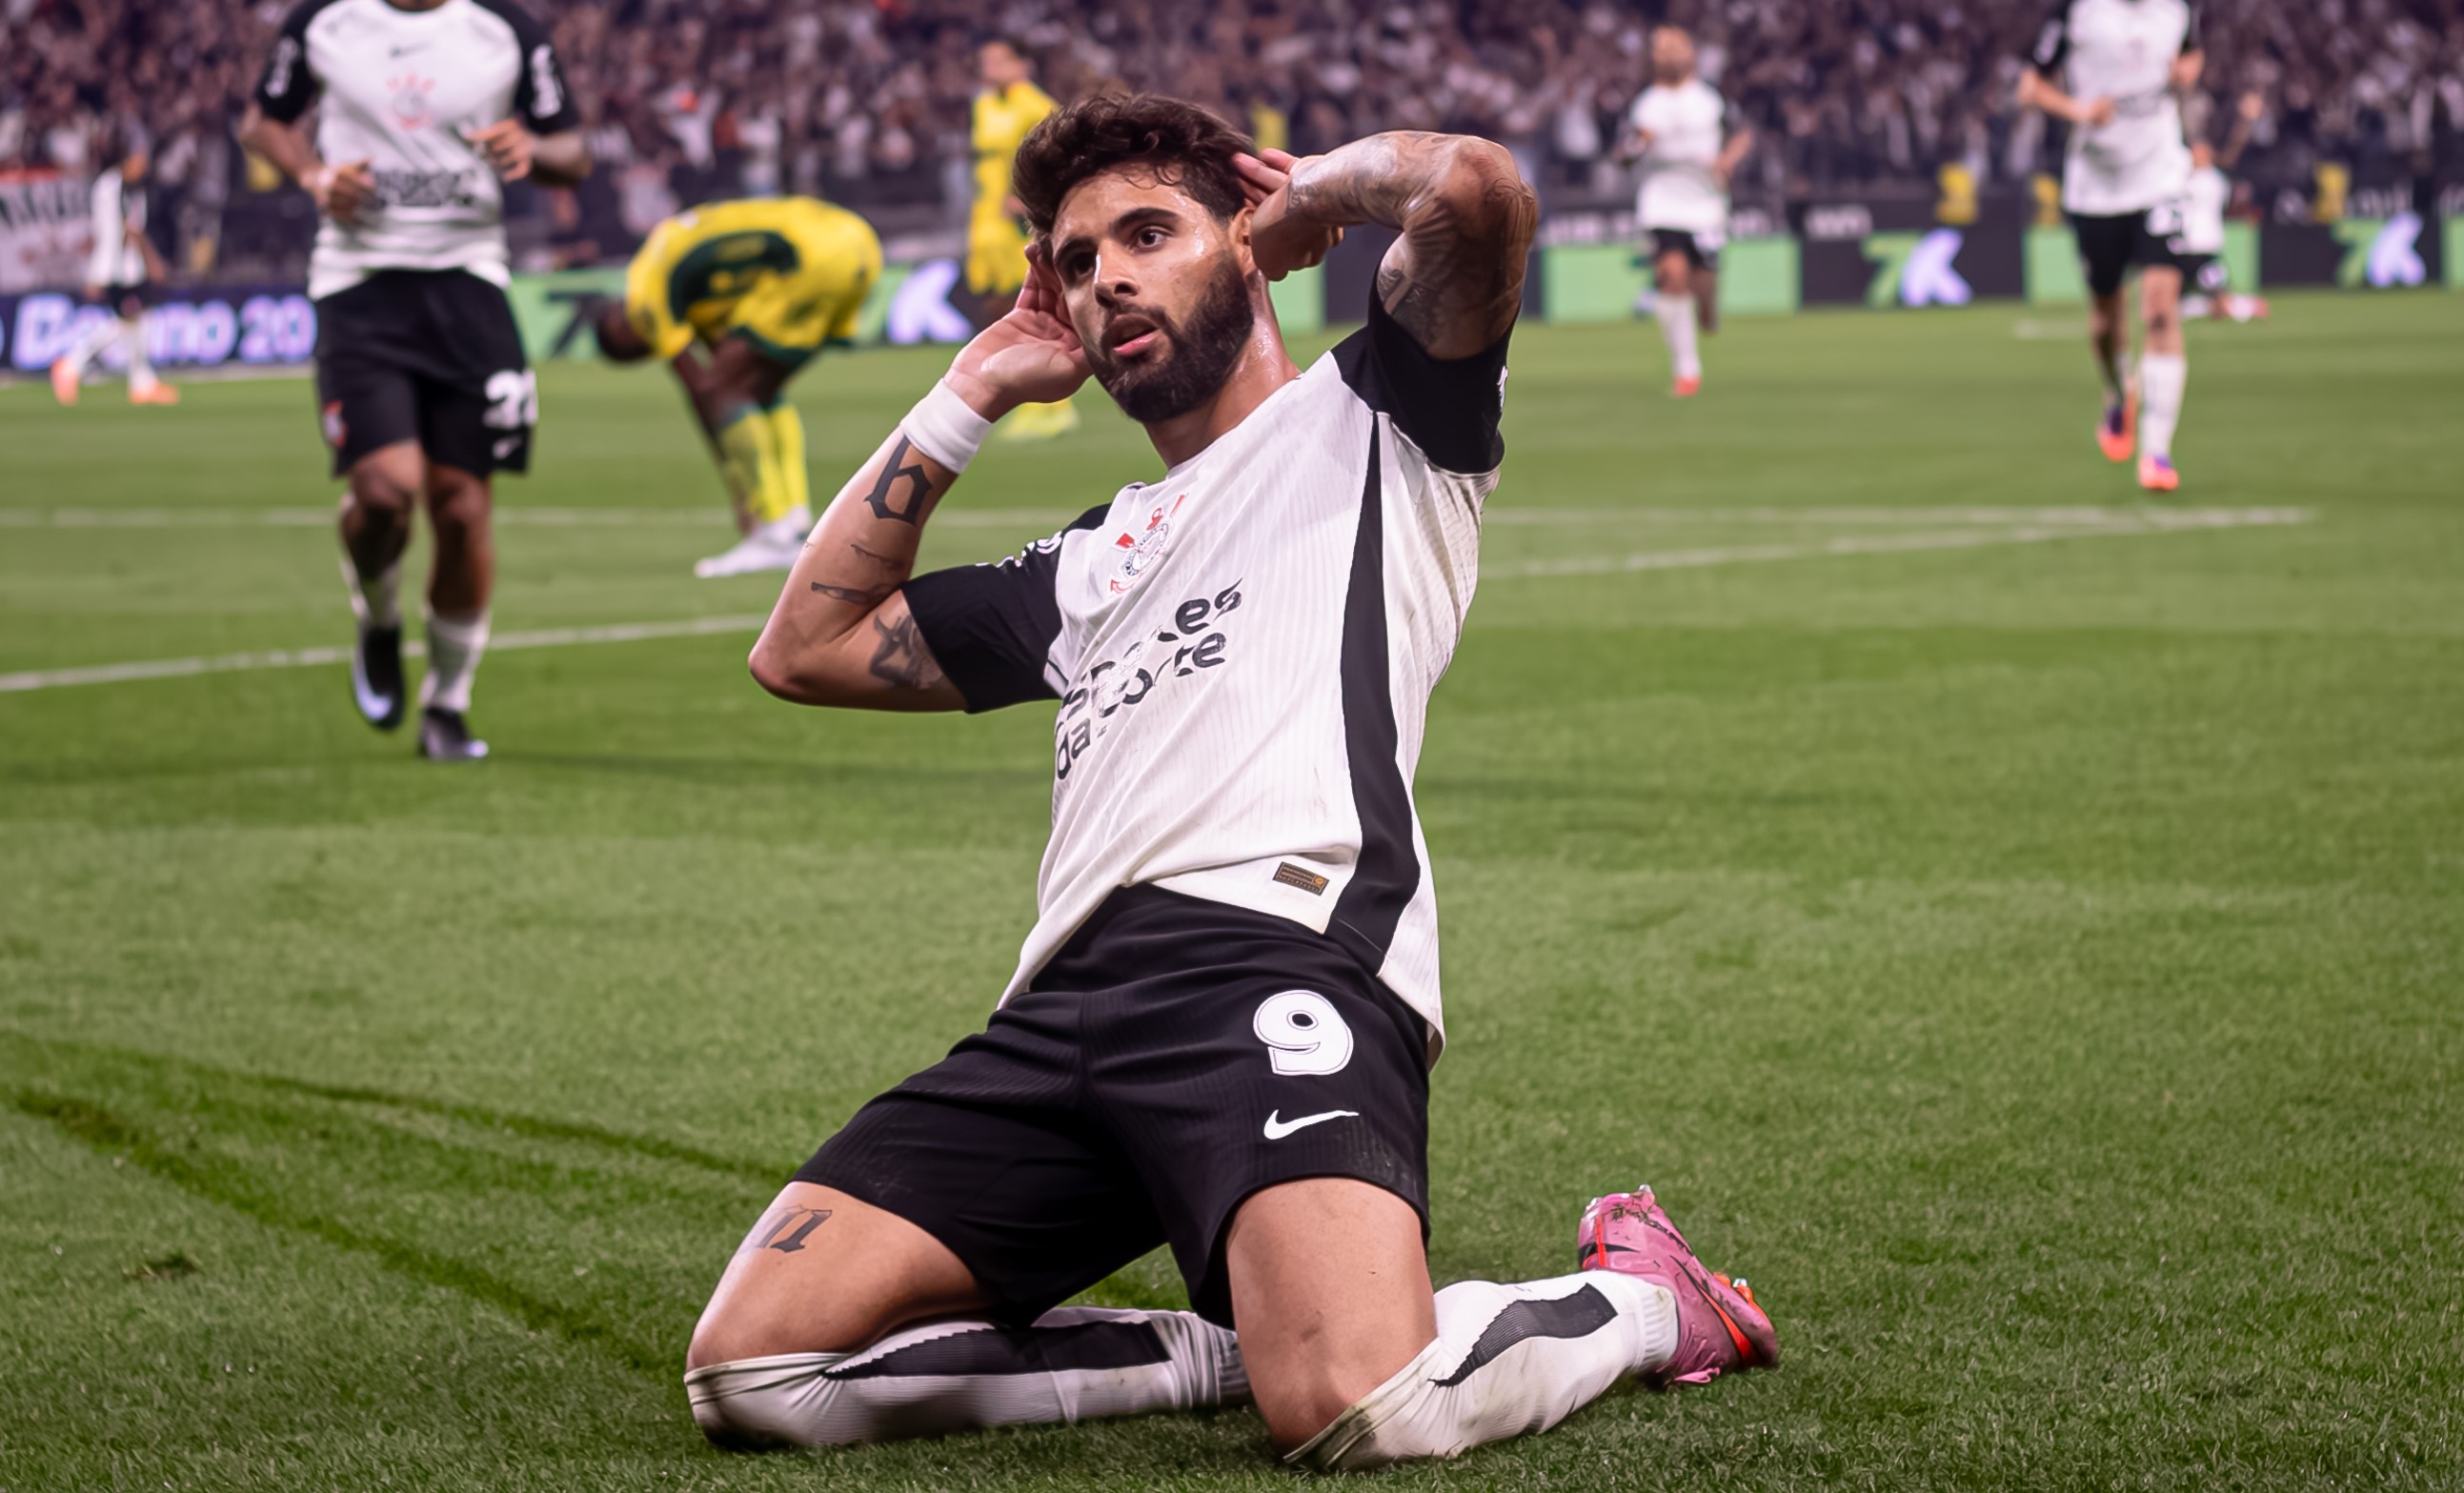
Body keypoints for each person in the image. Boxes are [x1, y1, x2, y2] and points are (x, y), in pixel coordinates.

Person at [682, 94, 1777, 1469]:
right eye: (1074, 261)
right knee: (756, 1371)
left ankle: (1636, 1297)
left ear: (1245, 243)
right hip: (1058, 1006)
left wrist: (1324, 187)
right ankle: (1201, 1345)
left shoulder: (1378, 411)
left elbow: (1479, 193)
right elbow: (805, 646)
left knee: (1361, 1405)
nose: (1103, 280)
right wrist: (970, 388)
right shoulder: (1085, 562)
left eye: (1147, 233)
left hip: (1275, 950)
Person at [239, 0, 590, 760]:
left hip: (468, 282)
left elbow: (575, 153)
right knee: (386, 489)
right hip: (358, 285)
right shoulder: (325, 24)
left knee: (463, 507)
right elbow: (261, 122)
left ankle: (448, 704)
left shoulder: (505, 32)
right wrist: (312, 172)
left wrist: (529, 144)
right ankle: (378, 614)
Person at [592, 195, 883, 577]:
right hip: (857, 242)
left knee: (726, 391)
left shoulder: (646, 298)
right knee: (759, 390)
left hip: (813, 259)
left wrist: (737, 491)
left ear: (622, 327)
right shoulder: (692, 288)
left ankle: (772, 529)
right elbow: (725, 356)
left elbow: (701, 388)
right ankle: (794, 524)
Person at [2021, 0, 2204, 494]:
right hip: (2096, 186)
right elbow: (2030, 86)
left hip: (2161, 176)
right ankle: (2117, 393)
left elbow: (2192, 54)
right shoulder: (2077, 13)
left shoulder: (2178, 9)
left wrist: (2187, 72)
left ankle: (2157, 452)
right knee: (2106, 315)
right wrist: (2079, 110)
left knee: (2161, 308)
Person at [1618, 26, 1751, 399]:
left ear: (1689, 53)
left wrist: (1727, 161)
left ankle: (1708, 308)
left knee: (1703, 287)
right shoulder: (1645, 105)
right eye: (1660, 49)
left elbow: (1741, 134)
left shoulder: (1711, 99)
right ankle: (1686, 369)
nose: (1667, 54)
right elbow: (1627, 153)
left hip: (1705, 201)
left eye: (1674, 47)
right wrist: (1633, 149)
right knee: (1672, 274)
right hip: (1661, 198)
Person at [963, 35, 1077, 441]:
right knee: (996, 308)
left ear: (1020, 65)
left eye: (997, 60)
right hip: (985, 221)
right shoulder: (983, 104)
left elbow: (1060, 157)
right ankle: (1024, 395)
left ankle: (1055, 406)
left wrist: (1028, 199)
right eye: (985, 60)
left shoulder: (1034, 104)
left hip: (1016, 223)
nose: (988, 68)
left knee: (1031, 309)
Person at [50, 135, 178, 408]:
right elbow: (127, 229)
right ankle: (72, 363)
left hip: (120, 264)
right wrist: (151, 261)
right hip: (120, 266)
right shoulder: (117, 186)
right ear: (128, 159)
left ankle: (141, 382)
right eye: (139, 159)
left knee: (133, 321)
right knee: (128, 321)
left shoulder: (115, 185)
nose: (144, 165)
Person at [2177, 91, 2268, 323]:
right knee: (2172, 301)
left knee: (2217, 300)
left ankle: (2244, 306)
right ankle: (2243, 305)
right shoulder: (2180, 176)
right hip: (2182, 247)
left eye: (2201, 149)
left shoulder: (2216, 179)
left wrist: (2245, 121)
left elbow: (2230, 155)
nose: (2197, 153)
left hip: (2204, 246)